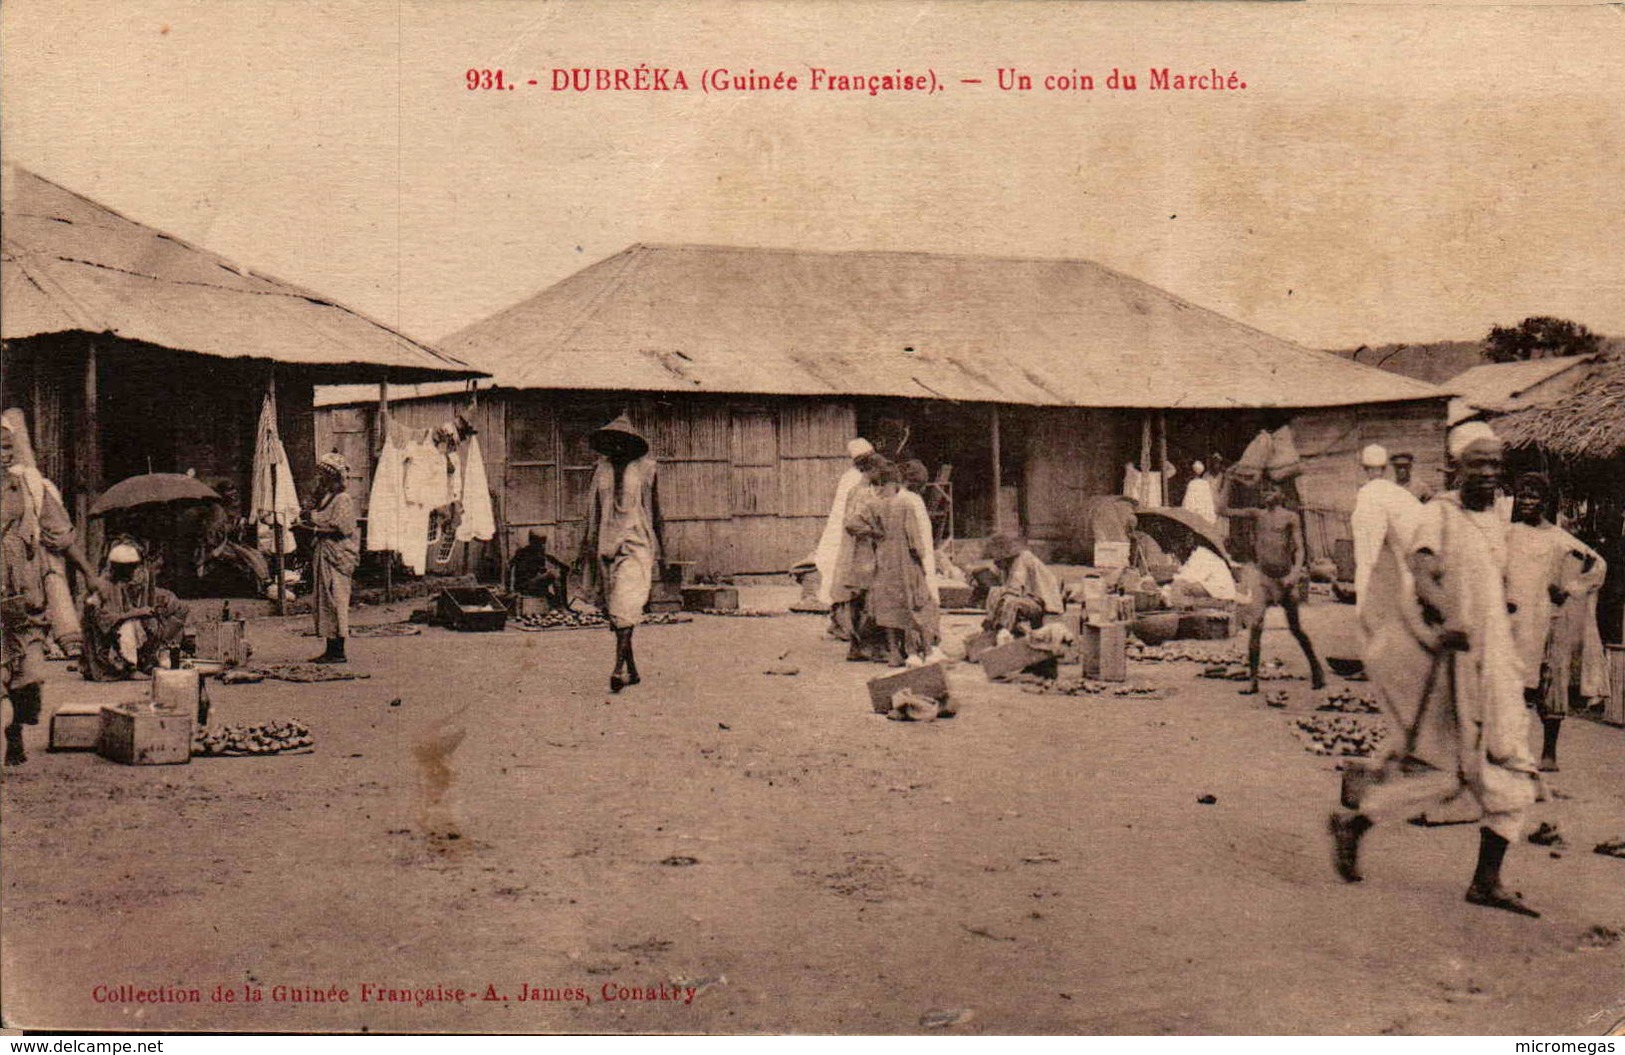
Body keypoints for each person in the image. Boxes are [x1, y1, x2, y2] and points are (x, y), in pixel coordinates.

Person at [1331, 421, 1542, 917]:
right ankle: (1482, 880)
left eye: (1495, 464)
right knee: (1490, 770)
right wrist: (1449, 615)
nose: (1488, 473)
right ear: (1456, 468)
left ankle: (1359, 825)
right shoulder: (1436, 516)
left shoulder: (1496, 521)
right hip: (1458, 665)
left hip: (1496, 665)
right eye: (1478, 464)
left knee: (1471, 774)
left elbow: (1493, 586)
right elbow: (1423, 574)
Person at [2, 413, 104, 765]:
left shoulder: (31, 487)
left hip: (24, 598)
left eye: (8, 447)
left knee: (28, 679)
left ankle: (15, 728)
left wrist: (90, 574)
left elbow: (60, 536)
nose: (4, 454)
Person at [1506, 472, 1606, 772]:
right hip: (1517, 620)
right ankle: (1515, 752)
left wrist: (1570, 588)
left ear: (1544, 501)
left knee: (1550, 684)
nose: (1527, 501)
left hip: (1548, 619)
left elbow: (1597, 564)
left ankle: (1549, 753)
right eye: (1522, 494)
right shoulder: (1508, 533)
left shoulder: (1559, 538)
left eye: (1533, 496)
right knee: (1515, 686)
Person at [579, 415, 663, 693]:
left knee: (625, 605)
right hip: (607, 548)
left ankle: (617, 670)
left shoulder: (646, 470)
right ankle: (634, 671)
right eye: (612, 442)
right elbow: (593, 514)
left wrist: (662, 551)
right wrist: (588, 549)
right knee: (617, 613)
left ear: (632, 444)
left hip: (636, 545)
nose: (617, 447)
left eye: (622, 442)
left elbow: (656, 512)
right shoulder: (601, 472)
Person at [1218, 477, 1325, 694]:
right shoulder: (1257, 515)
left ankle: (1316, 668)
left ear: (1281, 494)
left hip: (1284, 579)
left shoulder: (1290, 518)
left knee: (1296, 629)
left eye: (1271, 490)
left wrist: (1294, 574)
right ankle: (1253, 681)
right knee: (1255, 626)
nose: (1266, 494)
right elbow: (1221, 509)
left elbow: (1300, 550)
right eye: (1264, 490)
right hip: (1264, 579)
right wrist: (1228, 479)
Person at [860, 462, 941, 667]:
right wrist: (922, 562)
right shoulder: (906, 504)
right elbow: (915, 542)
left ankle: (895, 654)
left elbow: (852, 524)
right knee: (919, 605)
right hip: (906, 564)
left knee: (888, 609)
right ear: (895, 482)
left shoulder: (873, 504)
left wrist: (875, 534)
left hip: (884, 565)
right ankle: (925, 652)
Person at [81, 539, 190, 682]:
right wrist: (136, 613)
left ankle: (147, 660)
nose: (135, 572)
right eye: (132, 568)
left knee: (143, 623)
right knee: (129, 626)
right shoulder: (102, 586)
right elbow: (103, 620)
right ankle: (129, 669)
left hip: (111, 636)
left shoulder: (118, 584)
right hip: (100, 647)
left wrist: (145, 612)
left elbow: (125, 610)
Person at [297, 452, 360, 665]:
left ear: (333, 477)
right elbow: (318, 518)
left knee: (337, 599)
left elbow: (341, 529)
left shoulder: (343, 499)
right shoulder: (325, 499)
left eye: (323, 475)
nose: (320, 479)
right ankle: (330, 647)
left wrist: (314, 528)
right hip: (324, 552)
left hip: (337, 554)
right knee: (325, 599)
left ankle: (338, 650)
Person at [1350, 443, 1421, 619]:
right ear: (1384, 468)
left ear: (1364, 469)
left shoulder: (1369, 493)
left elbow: (1369, 547)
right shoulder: (1397, 492)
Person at [816, 439, 878, 640]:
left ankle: (841, 624)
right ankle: (844, 626)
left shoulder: (854, 478)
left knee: (844, 580)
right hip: (848, 535)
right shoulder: (857, 481)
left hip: (847, 534)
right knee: (846, 581)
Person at [838, 458, 888, 661]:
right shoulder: (863, 492)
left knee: (860, 598)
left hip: (861, 552)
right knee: (865, 598)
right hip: (864, 552)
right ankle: (864, 646)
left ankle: (858, 646)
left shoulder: (860, 490)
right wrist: (876, 532)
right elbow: (851, 523)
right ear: (871, 470)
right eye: (879, 470)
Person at [981, 532, 1063, 641]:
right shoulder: (1007, 566)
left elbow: (1014, 589)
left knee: (1011, 602)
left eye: (997, 560)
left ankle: (1002, 632)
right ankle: (993, 630)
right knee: (995, 592)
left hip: (1041, 602)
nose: (995, 563)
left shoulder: (1023, 559)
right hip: (1027, 599)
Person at [509, 529, 570, 609]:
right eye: (539, 542)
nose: (542, 545)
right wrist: (510, 590)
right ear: (531, 541)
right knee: (553, 574)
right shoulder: (522, 552)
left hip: (534, 585)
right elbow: (509, 567)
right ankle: (561, 606)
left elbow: (550, 560)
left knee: (560, 573)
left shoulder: (538, 552)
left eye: (543, 542)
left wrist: (561, 565)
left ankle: (564, 605)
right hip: (525, 586)